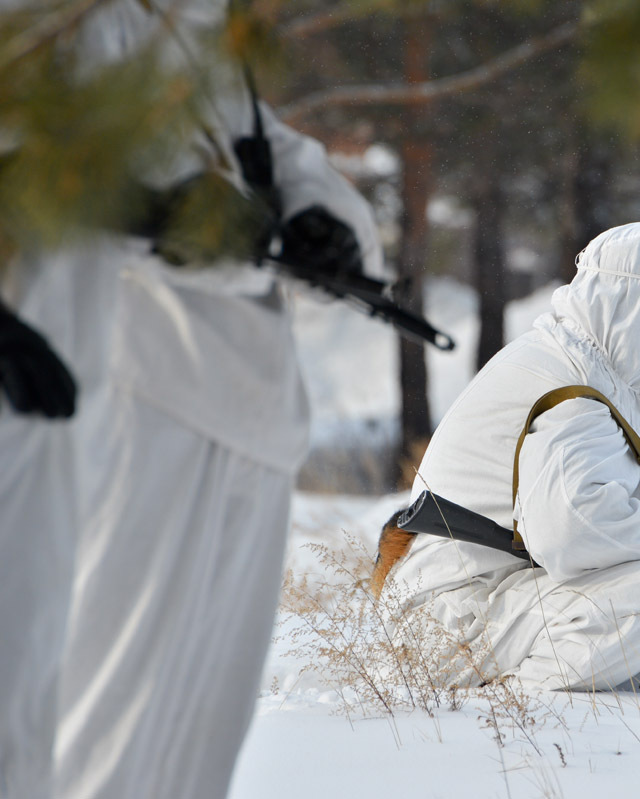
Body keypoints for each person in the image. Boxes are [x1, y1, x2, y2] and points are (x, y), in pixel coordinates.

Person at [0, 2, 382, 797]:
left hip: (252, 408)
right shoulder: (64, 23)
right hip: (139, 389)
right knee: (103, 722)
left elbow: (266, 147)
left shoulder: (196, 25)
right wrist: (171, 218)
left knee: (199, 739)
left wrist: (325, 220)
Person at [385, 222, 640, 691]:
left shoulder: (581, 363)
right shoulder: (569, 391)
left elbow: (617, 430)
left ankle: (621, 685)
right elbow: (572, 527)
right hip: (452, 611)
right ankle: (515, 705)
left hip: (504, 591)